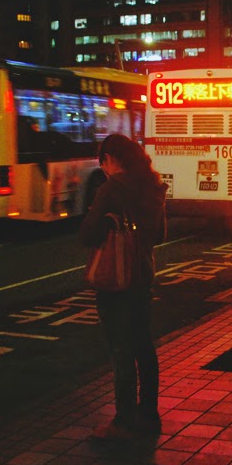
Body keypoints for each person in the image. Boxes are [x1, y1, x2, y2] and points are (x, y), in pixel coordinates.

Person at [79, 133, 168, 439]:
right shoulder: (154, 186)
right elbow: (160, 236)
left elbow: (87, 234)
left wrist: (105, 221)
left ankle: (123, 422)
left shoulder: (112, 188)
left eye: (102, 162)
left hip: (116, 280)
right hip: (143, 276)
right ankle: (149, 415)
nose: (102, 168)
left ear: (110, 159)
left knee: (120, 349)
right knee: (143, 346)